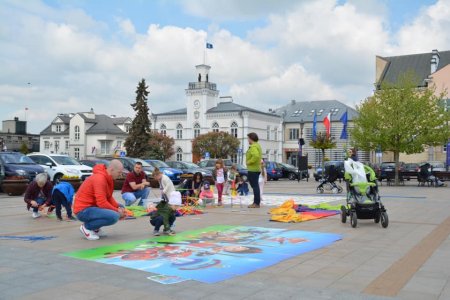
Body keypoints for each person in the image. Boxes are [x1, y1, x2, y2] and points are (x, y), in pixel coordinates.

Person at [74, 160, 127, 241]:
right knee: (114, 216)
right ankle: (86, 228)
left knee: (121, 207)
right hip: (82, 210)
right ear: (112, 169)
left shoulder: (108, 178)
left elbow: (109, 197)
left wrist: (118, 208)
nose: (120, 175)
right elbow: (102, 202)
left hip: (92, 207)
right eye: (119, 172)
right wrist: (117, 211)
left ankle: (95, 228)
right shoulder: (100, 179)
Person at [246, 132, 262, 208]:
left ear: (251, 139)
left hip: (253, 169)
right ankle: (256, 202)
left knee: (255, 186)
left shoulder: (253, 147)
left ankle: (256, 203)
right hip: (256, 169)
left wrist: (249, 162)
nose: (248, 140)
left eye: (248, 138)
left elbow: (255, 156)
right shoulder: (258, 145)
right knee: (256, 186)